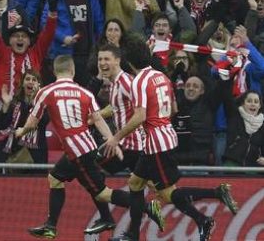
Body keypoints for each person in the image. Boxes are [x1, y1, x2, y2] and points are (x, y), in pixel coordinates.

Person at [102, 33, 239, 241]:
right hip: (163, 138)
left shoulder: (139, 81)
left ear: (128, 62)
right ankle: (132, 234)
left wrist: (115, 137)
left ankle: (211, 204)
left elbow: (139, 116)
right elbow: (173, 108)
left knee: (168, 194)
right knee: (135, 183)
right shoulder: (161, 76)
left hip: (156, 143)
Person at [14, 55, 146, 239]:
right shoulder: (85, 93)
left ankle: (145, 206)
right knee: (55, 178)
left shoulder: (45, 91)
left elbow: (32, 123)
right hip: (86, 147)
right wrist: (111, 141)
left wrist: (20, 131)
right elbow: (99, 119)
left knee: (102, 193)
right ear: (73, 71)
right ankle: (51, 226)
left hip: (78, 153)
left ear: (54, 71)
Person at [85, 44, 165, 235]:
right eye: (100, 60)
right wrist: (96, 116)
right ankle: (139, 218)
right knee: (161, 189)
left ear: (118, 60)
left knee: (89, 171)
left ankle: (109, 218)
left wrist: (118, 137)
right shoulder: (115, 83)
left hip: (132, 145)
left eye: (106, 59)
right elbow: (116, 107)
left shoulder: (126, 82)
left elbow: (142, 109)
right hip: (130, 146)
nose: (102, 64)